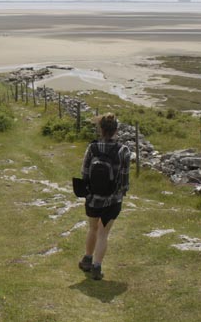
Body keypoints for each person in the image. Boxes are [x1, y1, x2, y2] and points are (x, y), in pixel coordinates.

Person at [78, 113, 131, 280]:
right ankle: (97, 267)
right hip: (112, 200)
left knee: (92, 228)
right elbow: (124, 178)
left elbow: (84, 172)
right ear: (116, 130)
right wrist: (120, 193)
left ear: (101, 129)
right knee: (103, 233)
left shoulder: (92, 148)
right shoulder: (124, 151)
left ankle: (87, 259)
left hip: (93, 198)